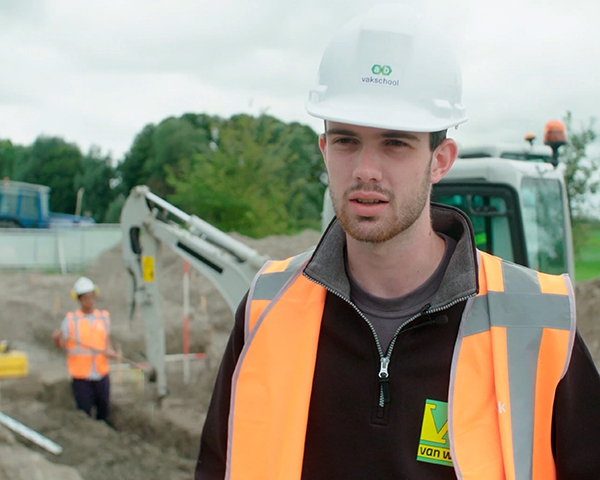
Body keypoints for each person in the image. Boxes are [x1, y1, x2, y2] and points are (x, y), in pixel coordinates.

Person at [195, 4, 600, 479]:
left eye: (395, 143)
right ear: (325, 150)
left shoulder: (540, 321)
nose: (366, 169)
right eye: (346, 140)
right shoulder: (266, 307)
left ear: (440, 159)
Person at [52, 276, 117, 424]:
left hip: (101, 373)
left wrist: (110, 351)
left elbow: (106, 341)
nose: (89, 301)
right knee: (84, 412)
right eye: (86, 298)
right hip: (81, 376)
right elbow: (61, 344)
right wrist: (57, 338)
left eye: (91, 297)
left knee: (104, 410)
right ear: (79, 300)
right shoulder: (70, 320)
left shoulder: (103, 317)